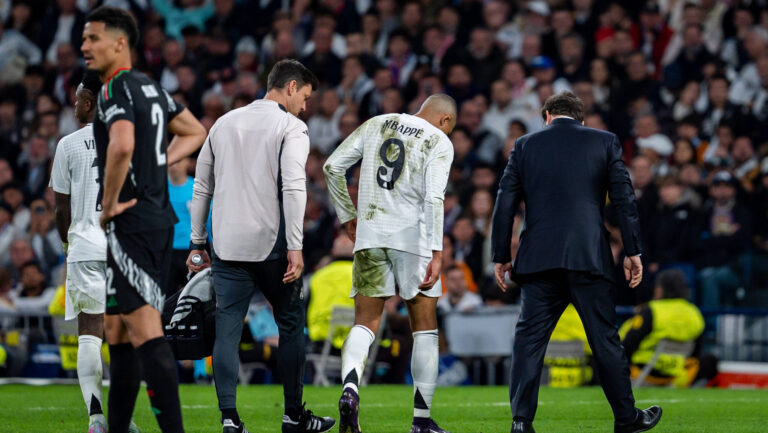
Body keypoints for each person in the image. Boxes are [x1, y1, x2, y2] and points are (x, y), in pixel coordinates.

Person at [491, 91, 662, 433]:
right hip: (588, 257)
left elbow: (505, 202)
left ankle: (521, 421)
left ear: (547, 116)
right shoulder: (605, 141)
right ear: (581, 120)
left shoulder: (524, 146)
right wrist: (632, 251)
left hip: (538, 261)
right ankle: (626, 418)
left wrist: (501, 256)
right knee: (605, 340)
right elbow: (625, 199)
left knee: (528, 343)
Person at [186, 59, 334, 433]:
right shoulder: (291, 127)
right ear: (291, 86)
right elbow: (293, 186)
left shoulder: (223, 123)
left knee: (227, 329)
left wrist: (197, 242)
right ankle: (293, 416)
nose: (305, 106)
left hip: (227, 245)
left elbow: (201, 187)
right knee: (290, 324)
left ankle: (229, 419)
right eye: (305, 96)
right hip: (273, 245)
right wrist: (296, 246)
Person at [81, 7, 207, 433]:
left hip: (132, 222)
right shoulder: (151, 87)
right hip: (154, 219)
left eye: (93, 38)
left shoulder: (114, 87)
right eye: (84, 38)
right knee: (117, 330)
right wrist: (158, 162)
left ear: (120, 43)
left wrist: (108, 203)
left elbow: (121, 145)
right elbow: (195, 131)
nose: (84, 46)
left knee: (146, 331)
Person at [323, 93, 457, 433]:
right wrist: (437, 251)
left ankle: (350, 388)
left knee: (365, 323)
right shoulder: (438, 140)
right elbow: (434, 197)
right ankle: (421, 421)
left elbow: (332, 167)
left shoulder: (377, 123)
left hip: (370, 235)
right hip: (414, 241)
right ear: (445, 120)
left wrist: (347, 215)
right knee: (424, 329)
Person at [49, 69, 126, 433]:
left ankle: (96, 418)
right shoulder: (126, 140)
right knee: (125, 335)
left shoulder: (68, 144)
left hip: (84, 248)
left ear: (91, 102)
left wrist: (69, 243)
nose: (74, 103)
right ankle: (123, 417)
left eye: (79, 97)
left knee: (90, 333)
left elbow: (60, 210)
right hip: (122, 250)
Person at [620, 270, 705, 387]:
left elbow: (629, 343)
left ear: (661, 289)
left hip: (643, 372)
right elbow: (697, 349)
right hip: (676, 375)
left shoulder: (651, 310)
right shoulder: (694, 312)